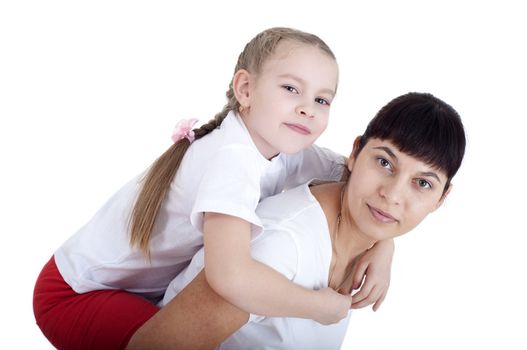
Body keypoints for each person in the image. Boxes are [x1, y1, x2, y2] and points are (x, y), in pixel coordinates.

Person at [33, 27, 394, 350]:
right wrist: (320, 307)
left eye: (322, 99)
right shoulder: (231, 160)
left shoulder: (284, 146)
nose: (307, 109)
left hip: (136, 290)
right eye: (290, 89)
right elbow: (230, 277)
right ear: (245, 89)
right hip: (75, 294)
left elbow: (360, 180)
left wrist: (384, 243)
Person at [132, 91, 466, 349]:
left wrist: (384, 243)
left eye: (422, 183)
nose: (393, 195)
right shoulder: (283, 244)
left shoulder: (363, 235)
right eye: (384, 163)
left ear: (441, 198)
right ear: (355, 153)